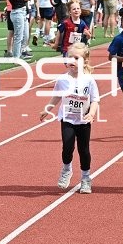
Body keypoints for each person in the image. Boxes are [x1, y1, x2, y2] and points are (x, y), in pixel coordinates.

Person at [39, 42, 100, 194]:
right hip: (67, 119)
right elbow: (56, 97)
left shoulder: (89, 80)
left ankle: (86, 178)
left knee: (83, 149)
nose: (72, 60)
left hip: (83, 120)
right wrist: (47, 109)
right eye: (69, 57)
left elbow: (95, 100)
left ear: (85, 61)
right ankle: (67, 169)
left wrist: (91, 114)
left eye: (76, 58)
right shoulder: (62, 79)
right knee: (67, 147)